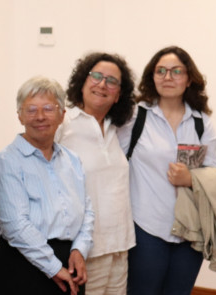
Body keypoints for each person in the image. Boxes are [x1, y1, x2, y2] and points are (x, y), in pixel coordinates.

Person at [117, 46, 216, 295]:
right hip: (146, 227)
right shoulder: (136, 116)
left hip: (190, 231)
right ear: (152, 78)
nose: (167, 77)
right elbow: (113, 161)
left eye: (176, 71)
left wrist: (191, 178)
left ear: (188, 79)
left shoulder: (201, 122)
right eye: (160, 71)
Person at [0, 76, 94, 295]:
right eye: (31, 110)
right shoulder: (6, 162)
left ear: (62, 114)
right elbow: (17, 226)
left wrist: (79, 250)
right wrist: (54, 268)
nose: (39, 117)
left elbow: (87, 211)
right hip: (21, 264)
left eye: (48, 108)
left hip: (70, 262)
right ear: (19, 116)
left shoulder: (72, 160)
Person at [57, 52, 136, 295]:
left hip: (120, 245)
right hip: (84, 250)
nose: (102, 84)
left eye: (111, 81)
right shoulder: (63, 124)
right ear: (82, 82)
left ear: (118, 95)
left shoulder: (118, 130)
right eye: (97, 76)